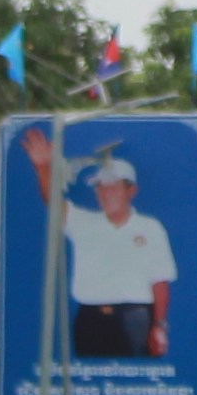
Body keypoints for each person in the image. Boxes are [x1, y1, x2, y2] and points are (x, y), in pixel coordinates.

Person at [21, 130, 176, 361]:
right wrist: (43, 167)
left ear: (130, 191)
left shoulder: (150, 228)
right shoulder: (84, 223)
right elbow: (53, 203)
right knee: (87, 387)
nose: (105, 193)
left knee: (134, 386)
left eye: (113, 187)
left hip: (134, 318)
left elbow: (160, 282)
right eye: (100, 187)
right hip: (90, 318)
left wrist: (159, 326)